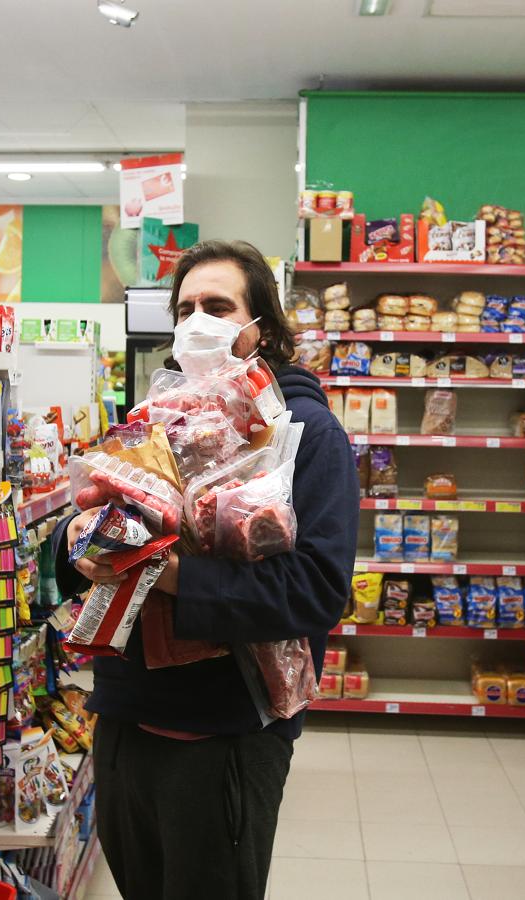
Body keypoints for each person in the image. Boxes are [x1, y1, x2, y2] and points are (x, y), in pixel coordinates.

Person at [51, 240, 358, 900]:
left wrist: (166, 574)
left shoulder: (305, 431)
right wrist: (74, 538)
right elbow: (84, 548)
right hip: (126, 715)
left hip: (227, 729)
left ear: (262, 330)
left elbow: (316, 590)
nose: (197, 322)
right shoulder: (153, 424)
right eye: (185, 307)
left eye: (217, 306)